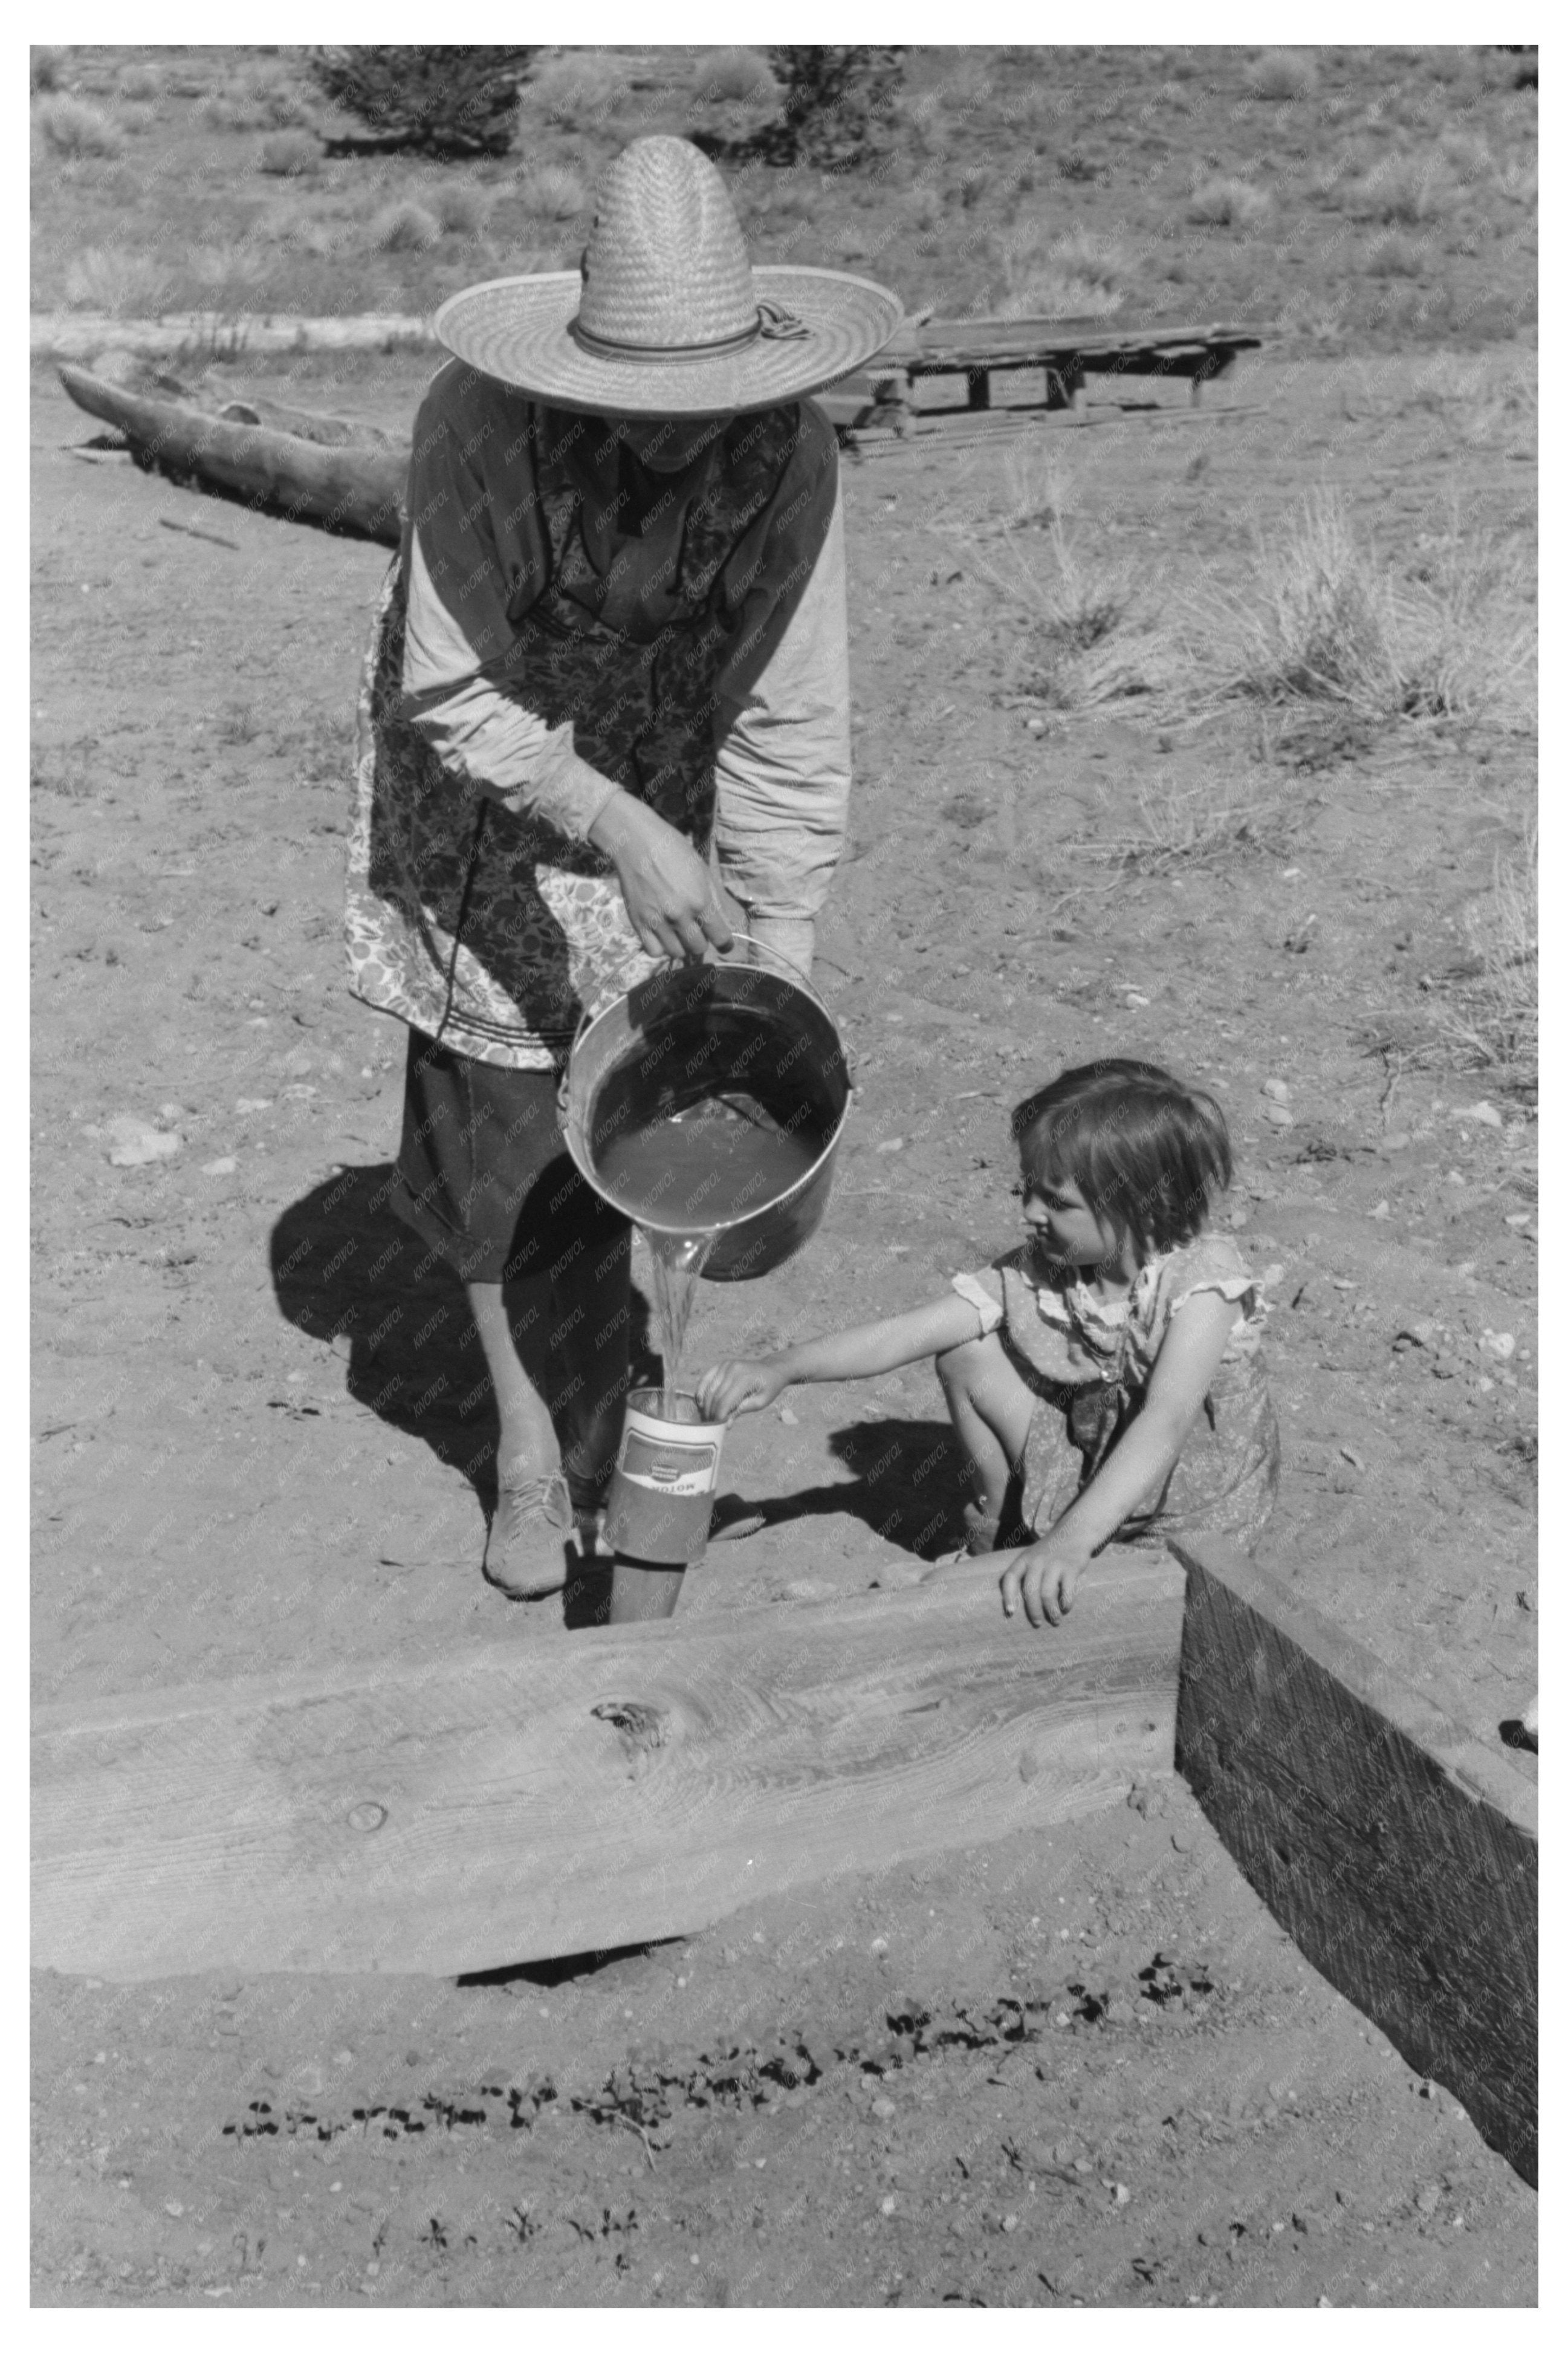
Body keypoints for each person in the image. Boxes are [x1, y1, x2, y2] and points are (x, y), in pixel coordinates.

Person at [343, 135, 901, 1598]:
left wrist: (777, 965)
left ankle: (606, 1389)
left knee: (654, 1076)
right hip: (482, 767)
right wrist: (619, 823)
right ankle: (524, 1450)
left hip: (659, 759)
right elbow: (453, 692)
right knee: (496, 1114)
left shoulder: (791, 459)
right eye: (643, 406)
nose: (676, 434)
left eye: (702, 404)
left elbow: (788, 721)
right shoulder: (474, 427)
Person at [697, 1059, 1280, 1626]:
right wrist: (782, 1368)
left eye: (1057, 1202)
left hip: (1188, 1499)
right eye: (1028, 1190)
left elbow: (1168, 1418)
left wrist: (1073, 1543)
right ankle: (1005, 1532)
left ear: (1138, 1205)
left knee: (1105, 1598)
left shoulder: (1201, 1283)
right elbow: (909, 1333)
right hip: (1095, 1449)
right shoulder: (1048, 1268)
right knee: (966, 1351)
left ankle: (1056, 1548)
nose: (1030, 1213)